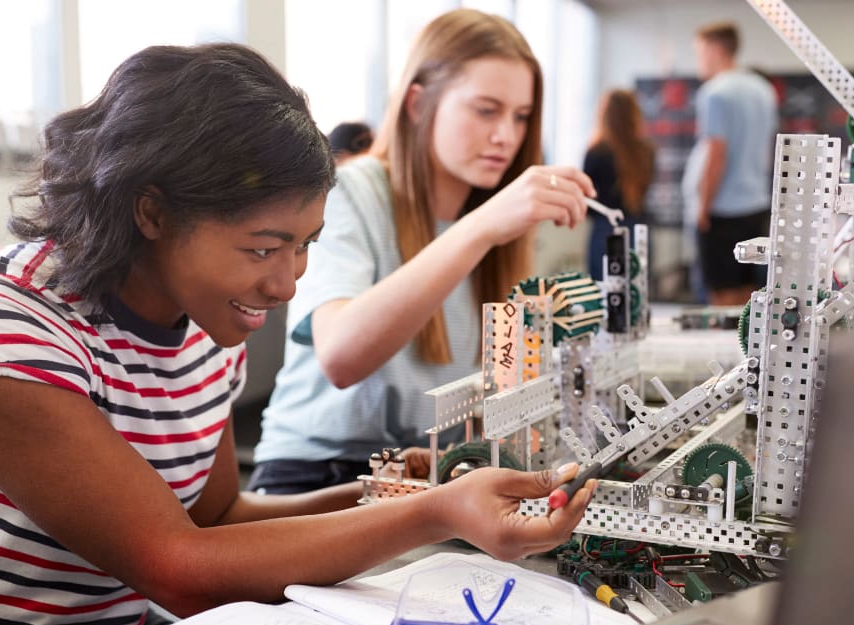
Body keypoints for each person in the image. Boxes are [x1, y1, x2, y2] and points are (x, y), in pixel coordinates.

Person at [0, 43, 596, 625]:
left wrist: (394, 494)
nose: (287, 283)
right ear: (151, 212)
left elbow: (216, 518)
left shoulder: (202, 329)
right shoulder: (1, 325)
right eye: (263, 247)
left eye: (305, 244)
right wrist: (436, 515)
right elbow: (179, 567)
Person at [249, 9, 596, 494]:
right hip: (318, 477)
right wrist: (482, 228)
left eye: (520, 117)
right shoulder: (350, 192)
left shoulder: (494, 227)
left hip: (430, 474)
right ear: (417, 103)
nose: (506, 136)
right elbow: (341, 357)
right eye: (485, 110)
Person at [687, 21, 777, 306]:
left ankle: (729, 351)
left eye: (699, 52)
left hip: (723, 210)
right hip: (757, 205)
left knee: (722, 296)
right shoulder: (763, 89)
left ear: (716, 50)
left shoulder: (715, 93)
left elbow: (716, 154)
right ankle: (748, 350)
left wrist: (703, 206)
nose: (698, 60)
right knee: (749, 294)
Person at [582, 89, 655, 280]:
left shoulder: (596, 152)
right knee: (637, 294)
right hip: (638, 230)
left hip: (605, 231)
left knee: (605, 294)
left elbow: (587, 200)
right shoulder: (646, 151)